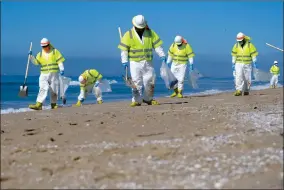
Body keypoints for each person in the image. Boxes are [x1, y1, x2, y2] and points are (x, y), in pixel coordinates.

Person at [118, 14, 166, 107]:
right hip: (135, 62)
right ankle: (136, 100)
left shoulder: (150, 32)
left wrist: (162, 55)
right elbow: (124, 50)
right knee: (136, 82)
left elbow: (157, 45)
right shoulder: (128, 34)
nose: (140, 29)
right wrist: (124, 61)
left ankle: (148, 99)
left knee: (150, 81)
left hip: (148, 62)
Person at [28, 38, 65, 110]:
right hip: (44, 74)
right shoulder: (40, 54)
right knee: (43, 88)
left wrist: (62, 69)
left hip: (53, 74)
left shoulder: (55, 52)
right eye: (43, 47)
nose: (45, 48)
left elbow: (59, 61)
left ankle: (53, 104)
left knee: (54, 89)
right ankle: (39, 104)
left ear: (49, 44)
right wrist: (31, 57)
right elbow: (36, 62)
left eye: (46, 46)